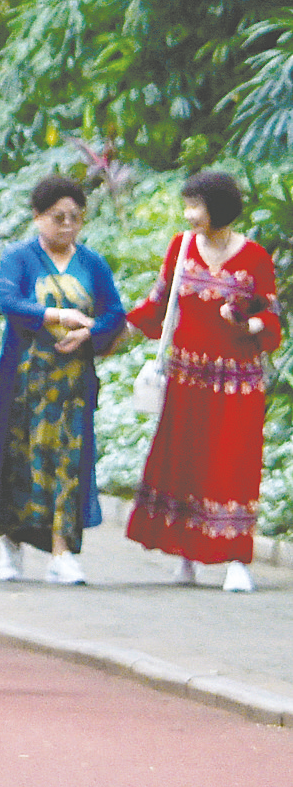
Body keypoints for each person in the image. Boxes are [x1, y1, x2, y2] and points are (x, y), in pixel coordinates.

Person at [0, 175, 128, 586]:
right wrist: (56, 317)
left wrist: (89, 332)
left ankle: (61, 551)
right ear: (38, 218)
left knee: (69, 464)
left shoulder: (92, 263)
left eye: (75, 218)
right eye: (57, 217)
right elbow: (10, 301)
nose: (67, 225)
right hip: (23, 384)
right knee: (17, 463)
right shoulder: (19, 257)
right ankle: (11, 543)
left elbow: (114, 313)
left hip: (72, 385)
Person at [124, 170, 282, 592]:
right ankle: (187, 557)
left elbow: (271, 322)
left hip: (236, 386)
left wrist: (245, 323)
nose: (189, 215)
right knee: (187, 464)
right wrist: (113, 330)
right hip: (186, 379)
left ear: (221, 209)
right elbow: (159, 303)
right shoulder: (181, 248)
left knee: (233, 466)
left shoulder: (254, 259)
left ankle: (235, 559)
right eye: (188, 205)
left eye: (197, 206)